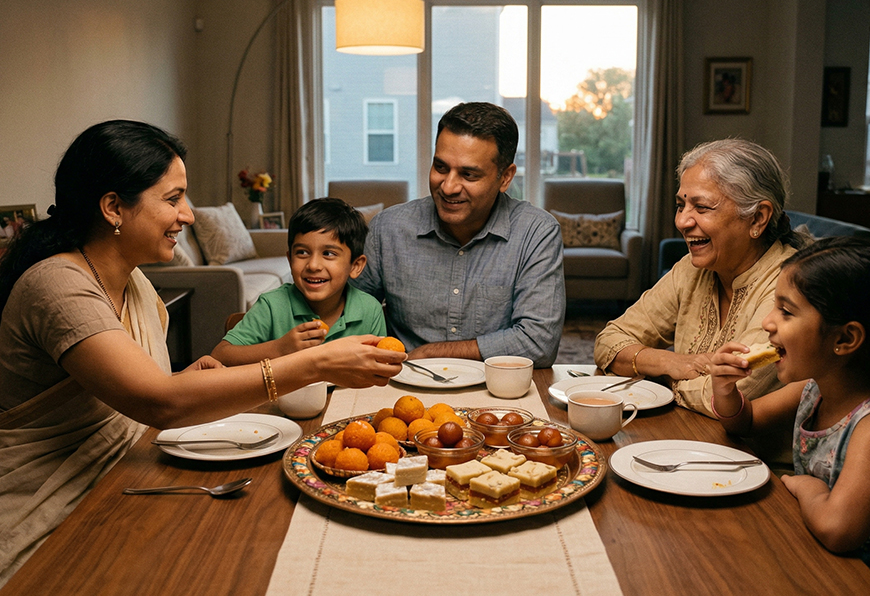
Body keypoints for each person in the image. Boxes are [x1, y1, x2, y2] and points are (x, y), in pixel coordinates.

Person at [0, 120, 404, 585]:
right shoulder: (58, 285)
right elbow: (158, 403)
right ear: (113, 207)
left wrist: (188, 378)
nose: (189, 215)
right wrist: (313, 362)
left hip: (127, 477)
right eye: (173, 199)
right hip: (49, 509)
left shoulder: (132, 282)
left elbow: (149, 392)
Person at [594, 138, 807, 416]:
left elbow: (729, 396)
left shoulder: (790, 285)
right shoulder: (691, 270)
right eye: (681, 205)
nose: (682, 221)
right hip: (690, 437)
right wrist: (668, 362)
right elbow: (609, 340)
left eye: (702, 207)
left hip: (757, 455)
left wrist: (654, 379)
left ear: (757, 218)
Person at [353, 102, 565, 368]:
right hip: (404, 390)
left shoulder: (536, 233)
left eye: (468, 174)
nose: (449, 187)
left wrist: (433, 353)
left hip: (499, 394)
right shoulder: (388, 228)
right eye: (441, 168)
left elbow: (539, 342)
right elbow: (348, 315)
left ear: (505, 177)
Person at [707, 237, 870, 564]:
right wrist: (726, 391)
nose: (767, 322)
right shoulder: (814, 389)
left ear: (845, 338)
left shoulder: (866, 426)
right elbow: (747, 421)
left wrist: (806, 488)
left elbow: (838, 529)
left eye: (786, 311)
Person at [211, 197, 386, 365]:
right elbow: (220, 354)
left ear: (355, 266)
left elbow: (380, 366)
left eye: (328, 254)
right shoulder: (272, 306)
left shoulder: (370, 310)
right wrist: (280, 348)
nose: (313, 265)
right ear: (290, 259)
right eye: (302, 252)